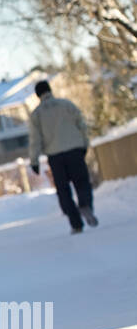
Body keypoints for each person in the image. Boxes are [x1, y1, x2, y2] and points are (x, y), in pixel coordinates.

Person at [29, 79, 98, 234]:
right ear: (50, 90)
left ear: (38, 95)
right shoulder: (67, 105)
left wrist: (34, 161)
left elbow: (35, 139)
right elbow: (82, 125)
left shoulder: (37, 114)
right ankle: (85, 205)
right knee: (82, 182)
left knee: (63, 190)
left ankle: (76, 224)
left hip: (55, 156)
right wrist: (84, 145)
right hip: (74, 150)